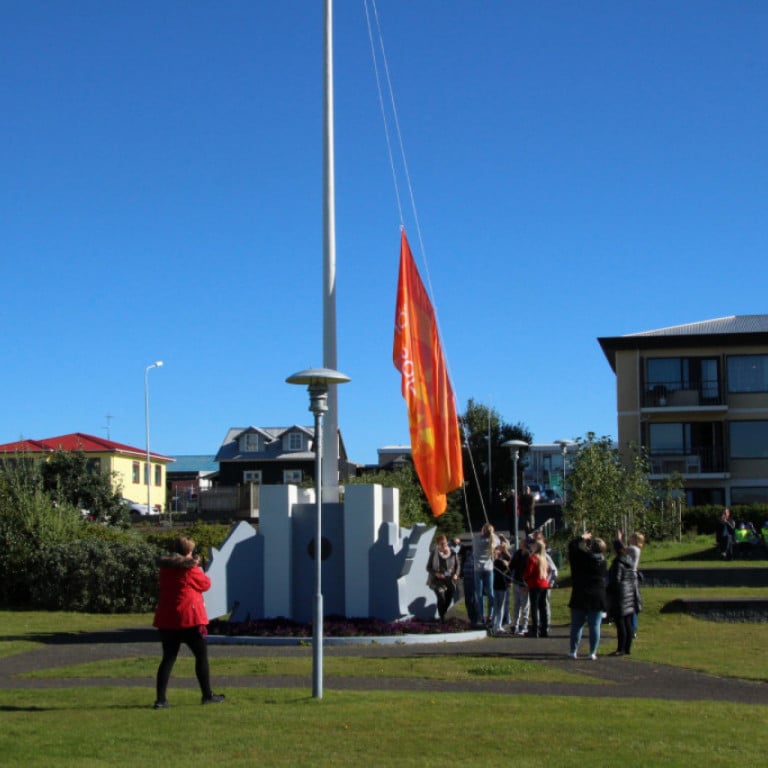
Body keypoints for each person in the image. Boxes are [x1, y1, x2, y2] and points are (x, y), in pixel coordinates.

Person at [153, 535, 225, 709]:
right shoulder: (190, 569)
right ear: (189, 551)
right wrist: (198, 567)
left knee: (168, 658)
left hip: (167, 617)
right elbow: (205, 584)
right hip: (189, 617)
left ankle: (161, 699)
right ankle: (207, 695)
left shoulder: (165, 568)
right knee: (201, 657)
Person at [567, 532, 608, 660]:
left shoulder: (580, 558)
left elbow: (572, 545)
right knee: (595, 625)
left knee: (577, 624)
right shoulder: (602, 561)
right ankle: (592, 652)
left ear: (589, 546)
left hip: (580, 592)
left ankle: (573, 651)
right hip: (597, 594)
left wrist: (582, 537)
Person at [607, 539, 640, 657]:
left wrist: (608, 591)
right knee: (627, 622)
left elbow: (615, 581)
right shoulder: (629, 561)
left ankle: (620, 648)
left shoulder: (618, 563)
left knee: (620, 624)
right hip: (629, 595)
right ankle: (627, 648)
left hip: (620, 596)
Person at [426, 534, 461, 621]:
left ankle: (444, 614)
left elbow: (458, 565)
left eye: (445, 543)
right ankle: (442, 617)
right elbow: (428, 567)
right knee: (441, 597)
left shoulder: (453, 553)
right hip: (437, 580)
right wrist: (436, 573)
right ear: (438, 545)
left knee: (449, 598)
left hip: (449, 579)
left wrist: (456, 574)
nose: (444, 545)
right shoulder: (434, 553)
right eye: (441, 544)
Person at [523, 538, 551, 637]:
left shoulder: (532, 558)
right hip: (544, 584)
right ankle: (544, 629)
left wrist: (524, 578)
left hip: (535, 585)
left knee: (534, 608)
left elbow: (528, 573)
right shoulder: (544, 558)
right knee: (543, 607)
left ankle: (535, 630)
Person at [473, 523, 499, 627]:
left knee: (479, 593)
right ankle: (491, 615)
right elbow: (498, 540)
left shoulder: (477, 539)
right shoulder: (493, 539)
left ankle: (481, 616)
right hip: (489, 568)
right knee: (490, 592)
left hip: (478, 568)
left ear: (483, 530)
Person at [509, 535, 530, 635]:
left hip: (524, 583)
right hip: (516, 582)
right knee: (516, 604)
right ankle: (515, 625)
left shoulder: (529, 555)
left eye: (522, 542)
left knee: (524, 605)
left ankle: (524, 626)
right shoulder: (518, 553)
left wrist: (527, 583)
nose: (521, 543)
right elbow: (512, 565)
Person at [491, 540, 512, 634]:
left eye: (497, 550)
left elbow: (509, 571)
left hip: (502, 586)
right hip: (494, 586)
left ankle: (498, 625)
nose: (496, 552)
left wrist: (509, 581)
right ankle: (494, 624)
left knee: (501, 606)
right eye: (495, 550)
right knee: (495, 606)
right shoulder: (491, 562)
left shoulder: (502, 561)